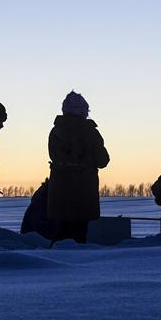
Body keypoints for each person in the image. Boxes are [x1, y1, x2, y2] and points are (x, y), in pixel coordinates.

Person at [47, 91, 110, 243]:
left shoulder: (55, 132)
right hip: (83, 191)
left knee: (61, 233)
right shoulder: (91, 133)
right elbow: (102, 160)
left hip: (60, 191)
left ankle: (57, 256)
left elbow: (52, 155)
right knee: (80, 233)